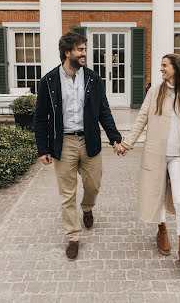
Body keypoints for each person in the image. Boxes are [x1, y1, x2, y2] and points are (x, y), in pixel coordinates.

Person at [115, 54, 180, 273]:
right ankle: (162, 229)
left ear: (176, 68)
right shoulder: (155, 91)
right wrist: (126, 144)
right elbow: (141, 119)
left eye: (164, 66)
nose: (161, 69)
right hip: (155, 154)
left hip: (179, 156)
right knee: (156, 194)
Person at [34, 32, 122, 260]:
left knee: (94, 184)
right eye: (80, 50)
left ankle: (87, 207)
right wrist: (43, 149)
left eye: (84, 49)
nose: (84, 54)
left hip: (89, 140)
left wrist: (114, 137)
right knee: (66, 194)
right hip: (63, 143)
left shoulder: (93, 79)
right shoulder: (49, 81)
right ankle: (73, 236)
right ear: (67, 52)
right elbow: (40, 117)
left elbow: (104, 110)